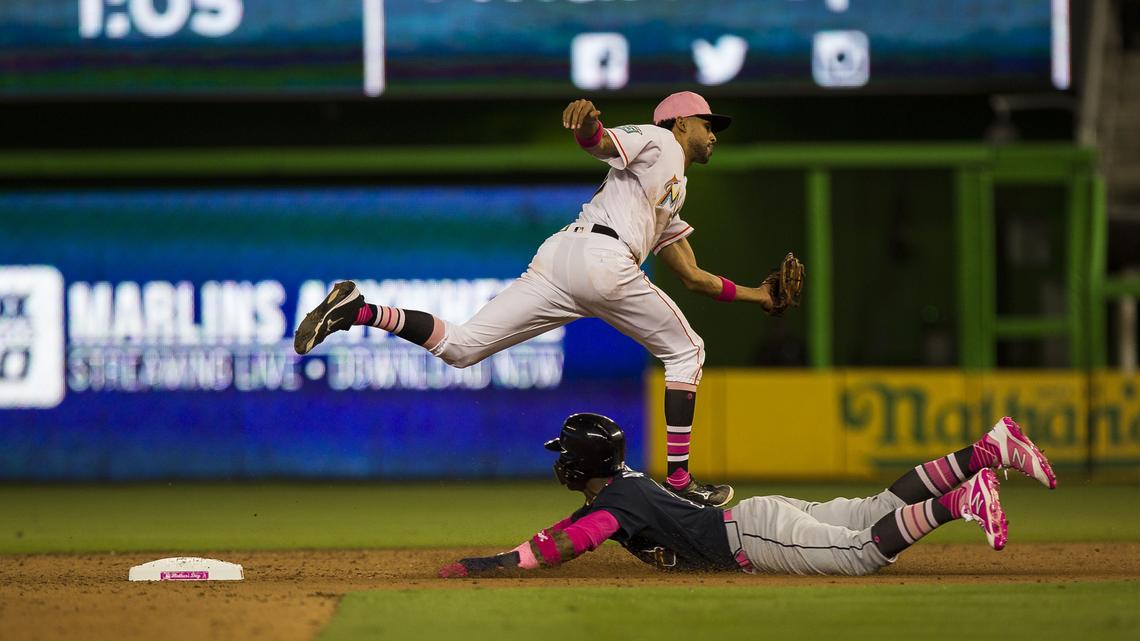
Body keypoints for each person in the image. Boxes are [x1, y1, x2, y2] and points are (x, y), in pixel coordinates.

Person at [293, 92, 797, 507]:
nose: (714, 135)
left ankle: (358, 308)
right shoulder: (661, 140)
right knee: (687, 351)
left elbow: (692, 276)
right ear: (682, 121)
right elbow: (602, 143)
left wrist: (759, 296)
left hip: (561, 258)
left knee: (463, 348)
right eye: (709, 124)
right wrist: (588, 128)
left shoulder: (668, 192)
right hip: (603, 257)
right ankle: (683, 483)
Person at [438, 413, 1056, 578]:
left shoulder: (610, 507)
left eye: (564, 454)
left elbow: (565, 545)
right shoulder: (626, 487)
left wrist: (487, 564)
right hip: (756, 516)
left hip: (748, 535)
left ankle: (962, 498)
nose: (561, 463)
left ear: (581, 465)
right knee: (872, 511)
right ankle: (986, 449)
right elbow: (591, 526)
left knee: (864, 550)